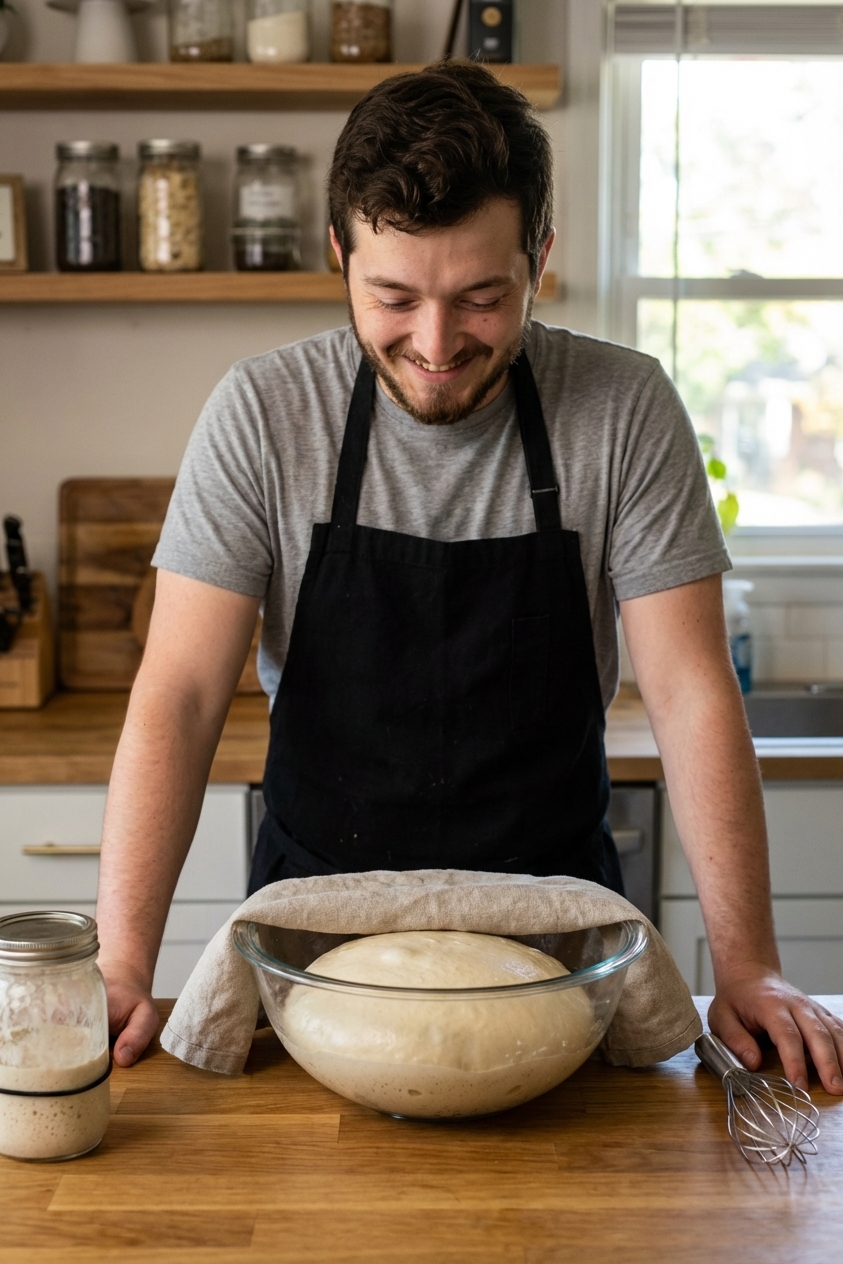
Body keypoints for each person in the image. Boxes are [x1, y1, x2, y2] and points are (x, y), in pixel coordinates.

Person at [96, 59, 843, 1092]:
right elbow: (178, 697)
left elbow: (690, 690)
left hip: (561, 957)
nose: (437, 345)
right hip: (315, 953)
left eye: (483, 298)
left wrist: (750, 966)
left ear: (542, 255)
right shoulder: (265, 413)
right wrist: (121, 961)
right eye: (393, 298)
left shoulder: (624, 409)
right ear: (338, 254)